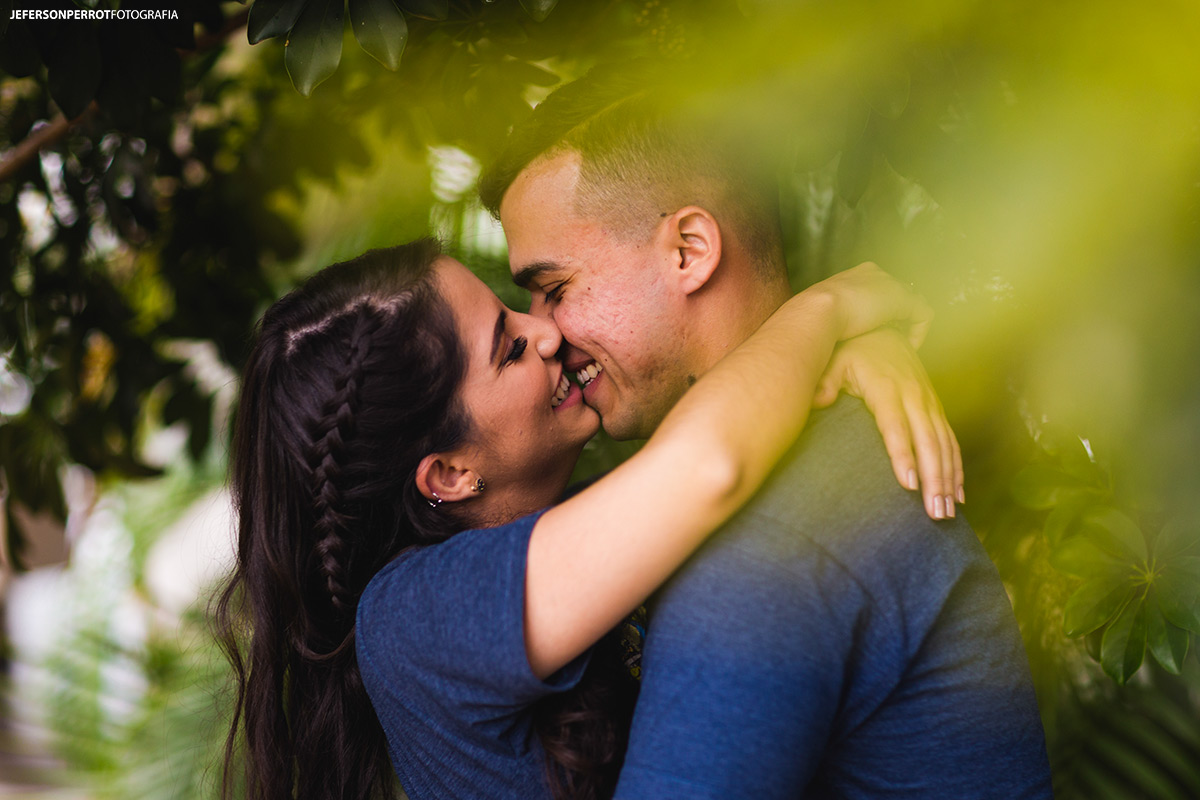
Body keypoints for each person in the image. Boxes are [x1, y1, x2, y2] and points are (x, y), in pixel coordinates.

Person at [478, 63, 1054, 798]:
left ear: (689, 251)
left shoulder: (774, 535)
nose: (545, 334)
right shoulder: (780, 465)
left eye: (555, 289)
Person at [215, 238, 953, 800]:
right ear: (449, 474)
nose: (546, 332)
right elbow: (710, 465)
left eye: (515, 308)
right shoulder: (411, 619)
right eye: (509, 349)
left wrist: (853, 361)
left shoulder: (568, 530)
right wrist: (828, 314)